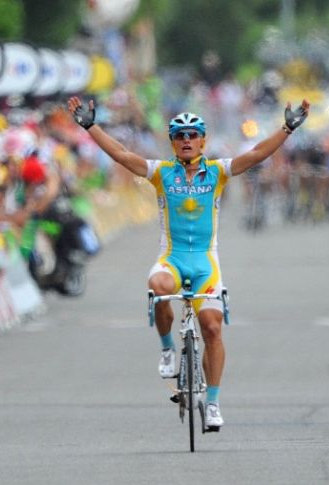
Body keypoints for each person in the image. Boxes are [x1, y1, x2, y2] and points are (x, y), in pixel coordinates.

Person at [67, 95, 310, 428]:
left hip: (206, 264)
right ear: (172, 142)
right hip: (173, 258)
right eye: (179, 136)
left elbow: (255, 155)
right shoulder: (161, 172)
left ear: (202, 140)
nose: (186, 140)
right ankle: (168, 348)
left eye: (192, 134)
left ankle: (212, 403)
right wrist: (90, 125)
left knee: (212, 327)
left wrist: (287, 128)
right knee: (158, 285)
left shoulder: (219, 172)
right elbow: (121, 155)